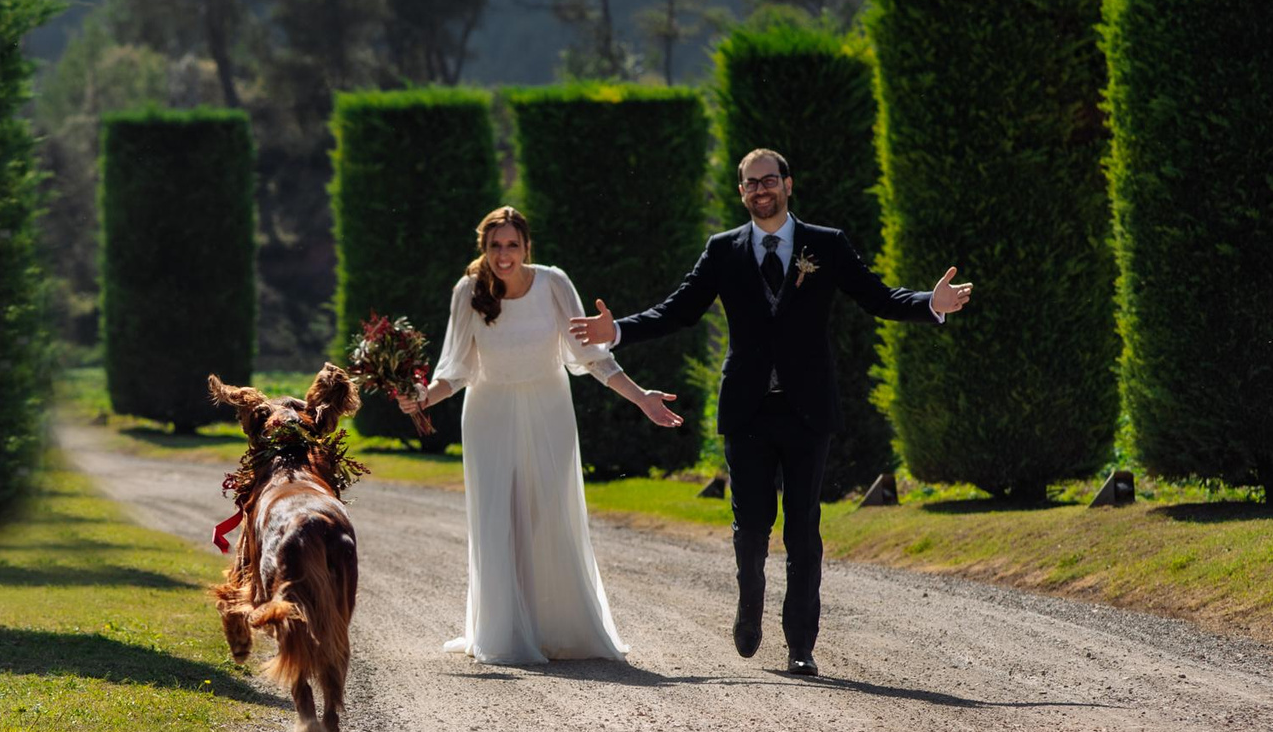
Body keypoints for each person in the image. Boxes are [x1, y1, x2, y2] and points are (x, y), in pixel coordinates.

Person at [568, 148, 972, 677]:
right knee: (751, 525)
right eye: (751, 183)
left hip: (808, 410)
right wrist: (618, 330)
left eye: (769, 180)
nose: (761, 190)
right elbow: (679, 310)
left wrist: (930, 303)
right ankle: (749, 600)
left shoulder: (825, 244)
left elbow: (876, 297)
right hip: (747, 410)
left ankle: (801, 643)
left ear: (787, 184)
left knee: (804, 529)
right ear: (741, 192)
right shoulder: (723, 250)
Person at [398, 206, 685, 664]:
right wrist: (421, 399)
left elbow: (592, 357)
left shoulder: (553, 283)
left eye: (512, 245)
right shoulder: (468, 291)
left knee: (547, 517)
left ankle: (556, 629)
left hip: (549, 410)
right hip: (489, 414)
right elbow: (456, 371)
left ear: (526, 247)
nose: (503, 254)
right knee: (498, 520)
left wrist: (641, 398)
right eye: (495, 245)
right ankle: (505, 633)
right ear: (483, 248)